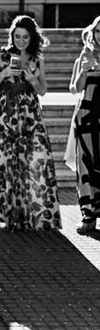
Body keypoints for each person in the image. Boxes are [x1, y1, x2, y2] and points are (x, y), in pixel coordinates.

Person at [0, 15, 60, 231]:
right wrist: (5, 73)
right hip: (5, 115)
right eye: (17, 36)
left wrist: (33, 79)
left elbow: (43, 91)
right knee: (2, 162)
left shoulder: (37, 59)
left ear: (32, 37)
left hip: (30, 115)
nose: (21, 41)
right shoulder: (1, 54)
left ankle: (32, 217)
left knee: (34, 161)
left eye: (25, 37)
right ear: (12, 36)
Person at [68, 15, 100, 234]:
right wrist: (83, 71)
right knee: (85, 164)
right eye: (98, 31)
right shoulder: (85, 54)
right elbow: (75, 88)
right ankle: (88, 216)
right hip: (87, 114)